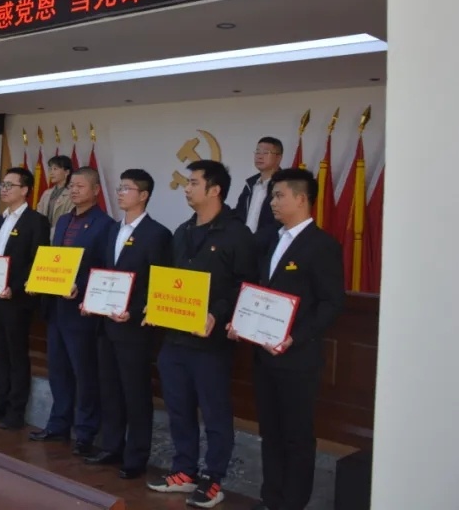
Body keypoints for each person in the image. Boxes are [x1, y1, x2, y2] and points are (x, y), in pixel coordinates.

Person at [228, 168, 345, 510]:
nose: (273, 202)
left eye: (279, 196)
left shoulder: (322, 245)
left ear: (302, 198)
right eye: (272, 196)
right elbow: (258, 292)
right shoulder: (270, 239)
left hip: (298, 358)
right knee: (271, 432)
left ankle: (293, 502)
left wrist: (296, 337)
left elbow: (331, 303)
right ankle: (271, 497)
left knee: (296, 435)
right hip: (264, 355)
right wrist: (241, 321)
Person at [148, 160, 256, 508]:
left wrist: (217, 313)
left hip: (211, 343)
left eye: (194, 182)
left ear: (215, 190)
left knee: (214, 413)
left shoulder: (237, 234)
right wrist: (156, 304)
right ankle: (184, 471)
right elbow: (170, 279)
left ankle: (214, 478)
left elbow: (245, 286)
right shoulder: (182, 231)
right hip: (174, 338)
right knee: (178, 408)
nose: (187, 187)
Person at [85, 169, 172, 479]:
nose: (120, 193)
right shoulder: (112, 229)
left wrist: (134, 312)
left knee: (135, 392)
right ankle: (112, 445)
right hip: (106, 323)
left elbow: (157, 283)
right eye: (119, 188)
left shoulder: (158, 234)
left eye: (127, 189)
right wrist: (91, 300)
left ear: (144, 195)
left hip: (134, 327)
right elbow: (103, 272)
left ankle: (136, 455)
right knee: (109, 388)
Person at [30, 167, 114, 456]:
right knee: (58, 370)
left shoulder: (105, 225)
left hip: (81, 309)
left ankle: (85, 432)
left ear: (95, 191)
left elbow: (105, 268)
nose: (74, 191)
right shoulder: (64, 219)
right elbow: (55, 260)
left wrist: (82, 286)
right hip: (57, 307)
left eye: (80, 186)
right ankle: (58, 424)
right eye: (71, 187)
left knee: (84, 373)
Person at [0, 168, 49, 429]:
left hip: (16, 299)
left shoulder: (36, 221)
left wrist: (14, 288)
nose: (4, 189)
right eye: (2, 185)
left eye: (10, 185)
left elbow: (36, 262)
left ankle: (16, 410)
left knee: (16, 354)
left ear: (25, 190)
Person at [234, 137, 284, 251]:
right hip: (244, 247)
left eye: (266, 153)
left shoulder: (283, 184)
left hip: (270, 248)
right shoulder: (250, 184)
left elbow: (281, 220)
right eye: (257, 152)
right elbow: (239, 214)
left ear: (278, 158)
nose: (259, 156)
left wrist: (256, 240)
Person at [37, 155, 74, 240]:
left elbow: (70, 218)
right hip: (43, 236)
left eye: (55, 169)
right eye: (50, 169)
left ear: (67, 172)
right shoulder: (46, 193)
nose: (51, 173)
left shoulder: (72, 193)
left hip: (62, 236)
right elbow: (38, 216)